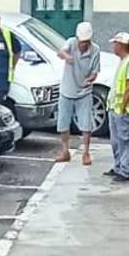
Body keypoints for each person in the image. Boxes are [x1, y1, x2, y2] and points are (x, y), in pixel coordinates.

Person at [54, 21, 101, 165]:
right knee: (63, 123)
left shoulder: (95, 50)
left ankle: (86, 153)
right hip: (67, 90)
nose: (83, 45)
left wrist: (90, 79)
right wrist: (66, 56)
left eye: (86, 42)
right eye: (81, 41)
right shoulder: (71, 43)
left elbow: (95, 72)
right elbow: (60, 52)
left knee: (86, 124)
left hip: (84, 92)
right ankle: (65, 150)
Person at [106, 31, 129, 182]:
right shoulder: (125, 61)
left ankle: (124, 170)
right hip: (116, 108)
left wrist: (123, 106)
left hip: (124, 109)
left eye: (115, 43)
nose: (113, 46)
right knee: (116, 140)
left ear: (121, 45)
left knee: (124, 141)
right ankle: (118, 166)